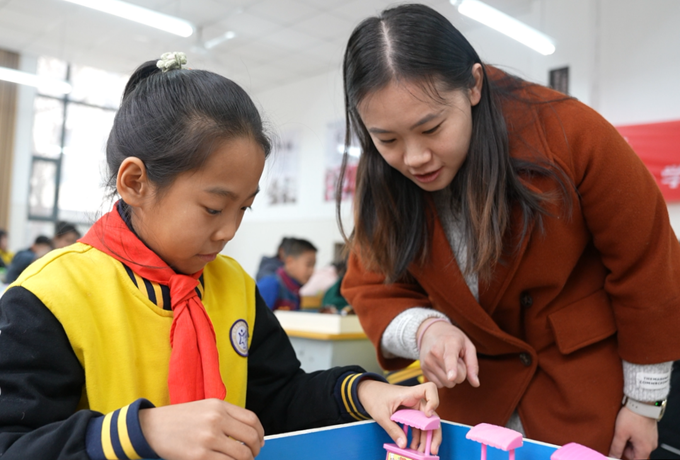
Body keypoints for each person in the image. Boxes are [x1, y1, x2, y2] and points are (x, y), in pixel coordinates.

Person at [0, 52, 440, 460]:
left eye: (243, 208)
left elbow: (279, 396)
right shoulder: (50, 298)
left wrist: (364, 393)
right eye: (213, 208)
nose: (229, 231)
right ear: (135, 182)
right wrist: (142, 430)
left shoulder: (232, 285)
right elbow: (14, 444)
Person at [338, 4, 680, 459]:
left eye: (432, 127)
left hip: (582, 392)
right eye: (387, 140)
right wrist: (426, 330)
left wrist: (644, 404)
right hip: (469, 406)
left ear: (473, 85)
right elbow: (371, 287)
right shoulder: (382, 180)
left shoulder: (570, 133)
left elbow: (648, 266)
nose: (414, 158)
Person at [257, 238, 317, 311]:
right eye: (308, 264)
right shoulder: (270, 284)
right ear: (290, 262)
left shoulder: (295, 291)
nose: (312, 271)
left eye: (314, 265)